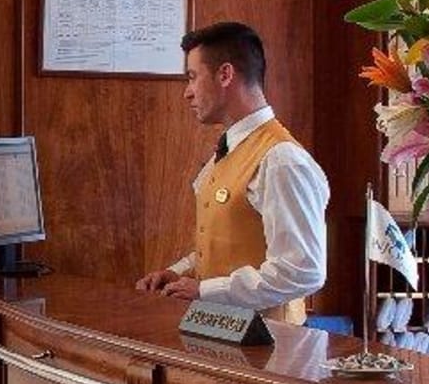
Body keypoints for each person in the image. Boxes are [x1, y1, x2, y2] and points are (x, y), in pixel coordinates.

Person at [134, 20, 329, 324]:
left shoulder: (281, 159)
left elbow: (302, 271)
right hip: (222, 334)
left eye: (192, 77)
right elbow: (224, 245)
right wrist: (179, 273)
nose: (187, 93)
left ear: (225, 74)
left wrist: (205, 291)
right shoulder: (229, 150)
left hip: (271, 342)